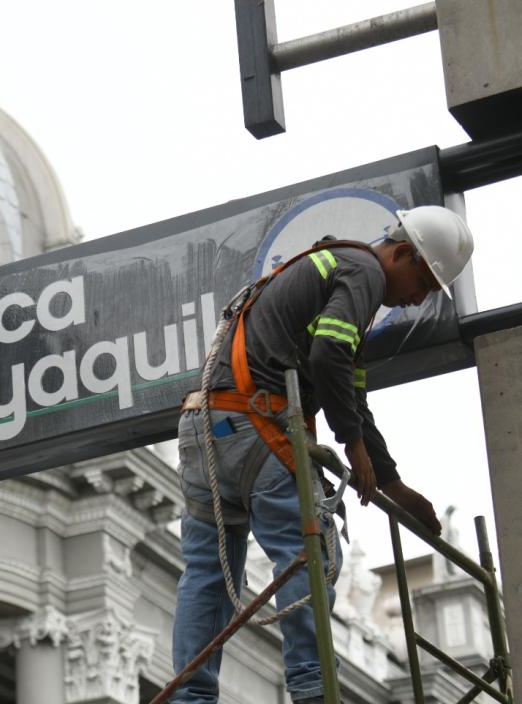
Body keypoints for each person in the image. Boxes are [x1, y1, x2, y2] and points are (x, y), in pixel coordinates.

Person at [170, 205, 474, 703]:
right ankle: (315, 691)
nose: (418, 301)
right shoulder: (364, 272)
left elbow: (351, 390)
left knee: (206, 570)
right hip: (256, 427)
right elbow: (327, 354)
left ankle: (191, 697)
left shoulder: (337, 279)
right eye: (422, 285)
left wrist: (390, 480)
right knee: (308, 552)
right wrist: (352, 446)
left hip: (205, 428)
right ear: (401, 253)